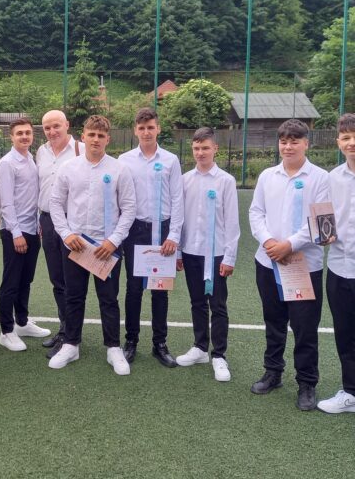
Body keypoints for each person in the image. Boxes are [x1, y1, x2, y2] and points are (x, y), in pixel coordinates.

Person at [249, 119, 329, 411]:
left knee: (305, 328)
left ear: (306, 143)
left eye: (294, 141)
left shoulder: (322, 178)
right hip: (268, 262)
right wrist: (269, 241)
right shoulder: (267, 176)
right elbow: (255, 213)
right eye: (284, 141)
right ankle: (273, 373)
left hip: (304, 266)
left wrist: (290, 245)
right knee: (274, 321)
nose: (288, 146)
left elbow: (322, 224)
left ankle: (307, 382)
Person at [49, 115, 136, 375]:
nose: (96, 139)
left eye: (101, 135)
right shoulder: (68, 168)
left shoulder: (120, 169)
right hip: (76, 245)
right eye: (91, 134)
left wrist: (113, 241)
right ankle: (71, 344)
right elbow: (55, 203)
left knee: (108, 299)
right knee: (74, 296)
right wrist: (66, 234)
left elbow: (129, 208)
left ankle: (113, 347)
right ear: (83, 136)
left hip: (106, 247)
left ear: (108, 139)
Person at [118, 108, 183, 367]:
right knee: (133, 289)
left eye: (151, 127)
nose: (146, 132)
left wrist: (174, 236)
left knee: (160, 290)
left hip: (163, 232)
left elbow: (177, 199)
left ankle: (160, 344)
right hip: (134, 230)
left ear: (158, 129)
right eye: (142, 128)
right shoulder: (124, 160)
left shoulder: (170, 160)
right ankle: (131, 341)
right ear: (135, 130)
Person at [175, 127, 239, 381]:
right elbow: (180, 218)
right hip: (191, 251)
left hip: (217, 254)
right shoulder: (184, 180)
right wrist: (179, 251)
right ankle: (200, 347)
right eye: (196, 148)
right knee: (197, 302)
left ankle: (219, 355)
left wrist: (230, 257)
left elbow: (232, 222)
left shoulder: (226, 181)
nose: (200, 152)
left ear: (215, 149)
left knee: (218, 305)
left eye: (205, 148)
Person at [0, 118, 50, 351]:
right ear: (11, 137)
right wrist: (16, 233)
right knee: (11, 282)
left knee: (25, 280)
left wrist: (37, 225)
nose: (24, 136)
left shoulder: (31, 159)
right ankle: (6, 331)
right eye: (19, 133)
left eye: (27, 132)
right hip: (14, 232)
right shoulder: (7, 163)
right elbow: (6, 203)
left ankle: (22, 322)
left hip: (32, 230)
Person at [36, 110, 85, 358]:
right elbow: (40, 188)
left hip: (72, 223)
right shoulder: (41, 152)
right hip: (47, 221)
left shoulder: (81, 150)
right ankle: (65, 329)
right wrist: (39, 219)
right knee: (57, 281)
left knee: (72, 282)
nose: (52, 131)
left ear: (67, 124)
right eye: (47, 128)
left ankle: (71, 335)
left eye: (56, 126)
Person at [317, 113, 355, 413]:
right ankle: (350, 393)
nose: (351, 142)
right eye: (346, 137)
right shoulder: (332, 178)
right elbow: (323, 215)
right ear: (338, 142)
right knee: (345, 333)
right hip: (339, 268)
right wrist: (323, 235)